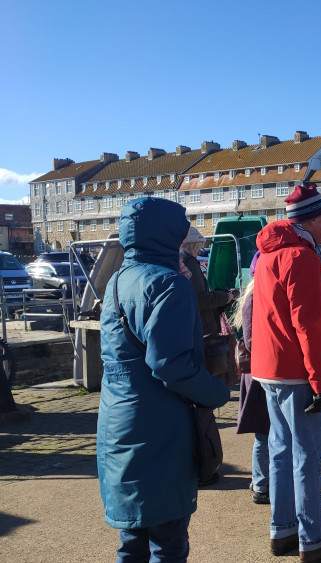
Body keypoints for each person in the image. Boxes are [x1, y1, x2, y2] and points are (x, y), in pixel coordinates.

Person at [97, 197, 231, 562]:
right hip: (159, 426)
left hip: (118, 418)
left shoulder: (117, 281)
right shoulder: (168, 283)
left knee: (133, 536)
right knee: (169, 540)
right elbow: (170, 365)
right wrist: (216, 392)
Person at [251, 184, 321, 562]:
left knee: (280, 451)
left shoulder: (268, 256)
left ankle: (283, 530)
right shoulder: (301, 257)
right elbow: (310, 325)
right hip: (295, 370)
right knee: (309, 454)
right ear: (312, 218)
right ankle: (314, 539)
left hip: (269, 368)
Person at [179, 226, 239, 486]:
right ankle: (206, 464)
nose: (202, 249)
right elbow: (201, 298)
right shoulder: (189, 263)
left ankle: (203, 463)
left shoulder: (181, 262)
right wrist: (225, 296)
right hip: (202, 333)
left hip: (193, 332)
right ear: (192, 245)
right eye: (199, 245)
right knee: (202, 407)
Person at [231, 251, 270, 505]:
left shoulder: (254, 295)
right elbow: (252, 340)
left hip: (259, 372)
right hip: (259, 374)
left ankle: (262, 480)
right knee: (264, 432)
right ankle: (262, 483)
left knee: (265, 431)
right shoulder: (255, 297)